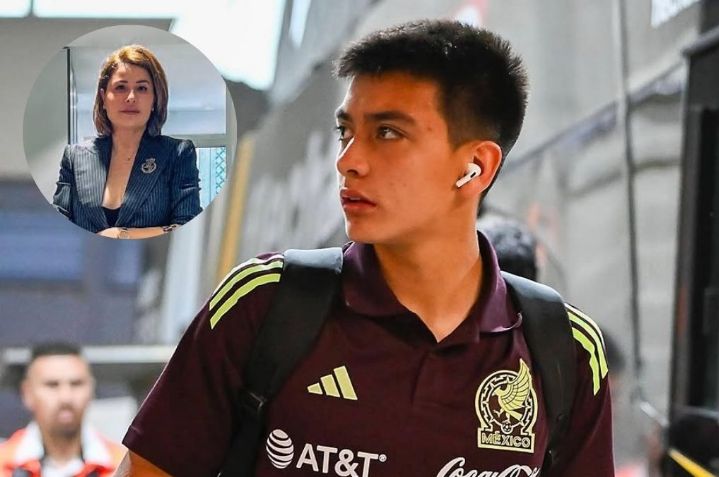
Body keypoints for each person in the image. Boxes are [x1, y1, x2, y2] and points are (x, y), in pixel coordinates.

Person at [118, 20, 613, 476]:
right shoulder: (265, 303)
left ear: (476, 167)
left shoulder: (565, 349)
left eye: (387, 133)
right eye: (346, 132)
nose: (348, 161)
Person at [52, 44, 202, 239]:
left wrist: (123, 234)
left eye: (142, 88)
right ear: (103, 98)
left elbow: (188, 226)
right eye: (121, 87)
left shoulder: (178, 153)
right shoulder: (74, 157)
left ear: (155, 99)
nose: (131, 97)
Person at [0, 343, 124, 477]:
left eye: (76, 384)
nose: (66, 397)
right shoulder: (3, 465)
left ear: (91, 390)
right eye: (52, 385)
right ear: (27, 392)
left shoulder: (124, 468)